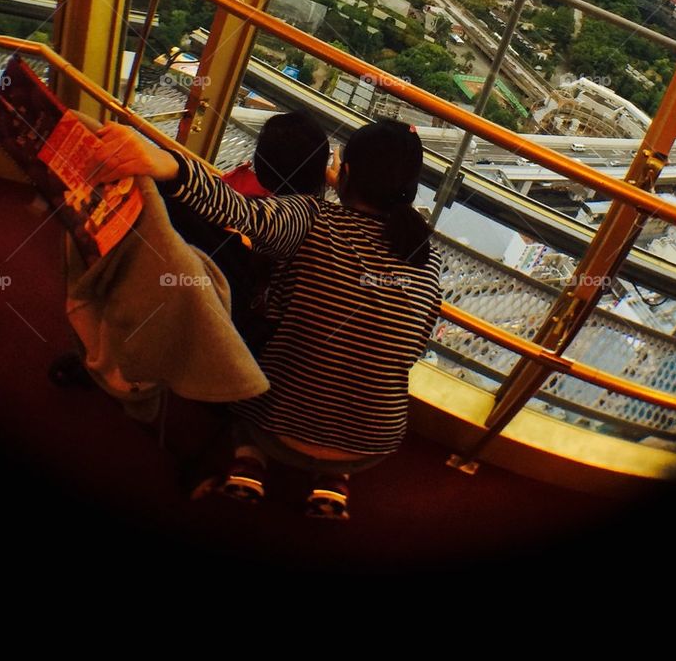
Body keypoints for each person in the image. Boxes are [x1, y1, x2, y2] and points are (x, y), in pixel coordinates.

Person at [93, 116, 442, 520]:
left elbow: (238, 210)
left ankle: (249, 458)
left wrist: (165, 163)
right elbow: (413, 348)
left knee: (255, 363)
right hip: (373, 441)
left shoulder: (312, 219)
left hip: (277, 425)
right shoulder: (426, 257)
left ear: (343, 174)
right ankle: (335, 478)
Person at [162, 111, 330, 355]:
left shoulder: (240, 203)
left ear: (261, 163)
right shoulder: (317, 221)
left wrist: (173, 167)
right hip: (251, 341)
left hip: (208, 315)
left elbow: (235, 210)